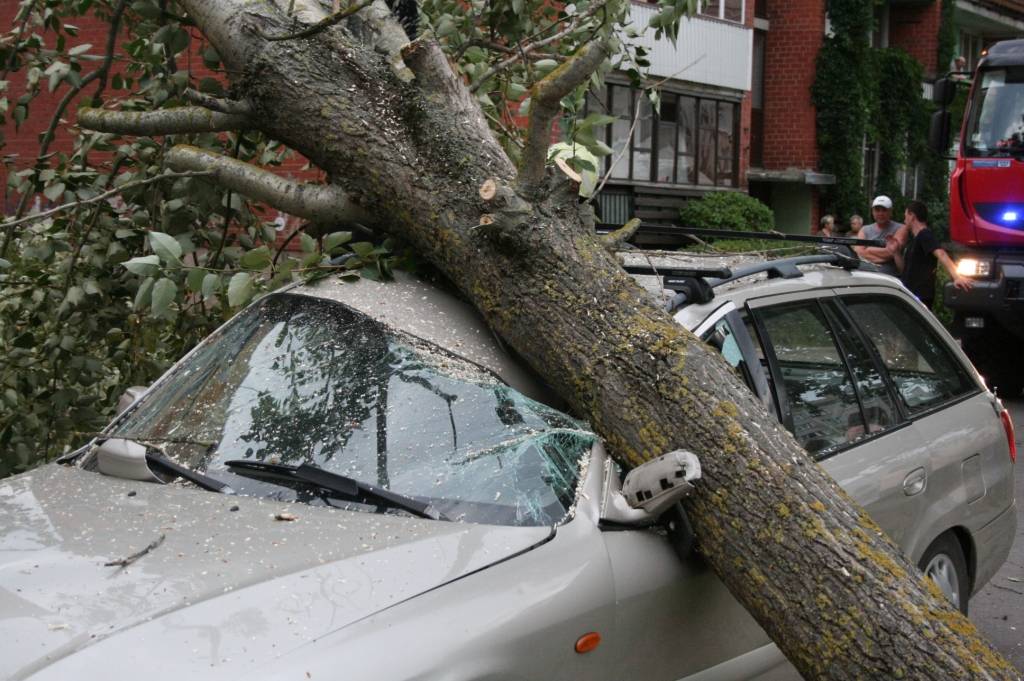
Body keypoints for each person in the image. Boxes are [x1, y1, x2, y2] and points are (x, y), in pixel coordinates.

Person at [891, 200, 973, 308]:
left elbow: (941, 254)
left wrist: (957, 277)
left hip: (921, 295)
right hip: (909, 293)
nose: (904, 220)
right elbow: (905, 269)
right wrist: (895, 252)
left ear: (912, 216)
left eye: (905, 216)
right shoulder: (914, 241)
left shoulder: (925, 235)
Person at [853, 196, 906, 276]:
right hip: (865, 275)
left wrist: (869, 250)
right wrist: (883, 254)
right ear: (872, 212)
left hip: (889, 279)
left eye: (884, 210)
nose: (880, 213)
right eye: (877, 210)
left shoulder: (901, 228)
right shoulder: (864, 229)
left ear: (891, 211)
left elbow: (892, 252)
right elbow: (859, 252)